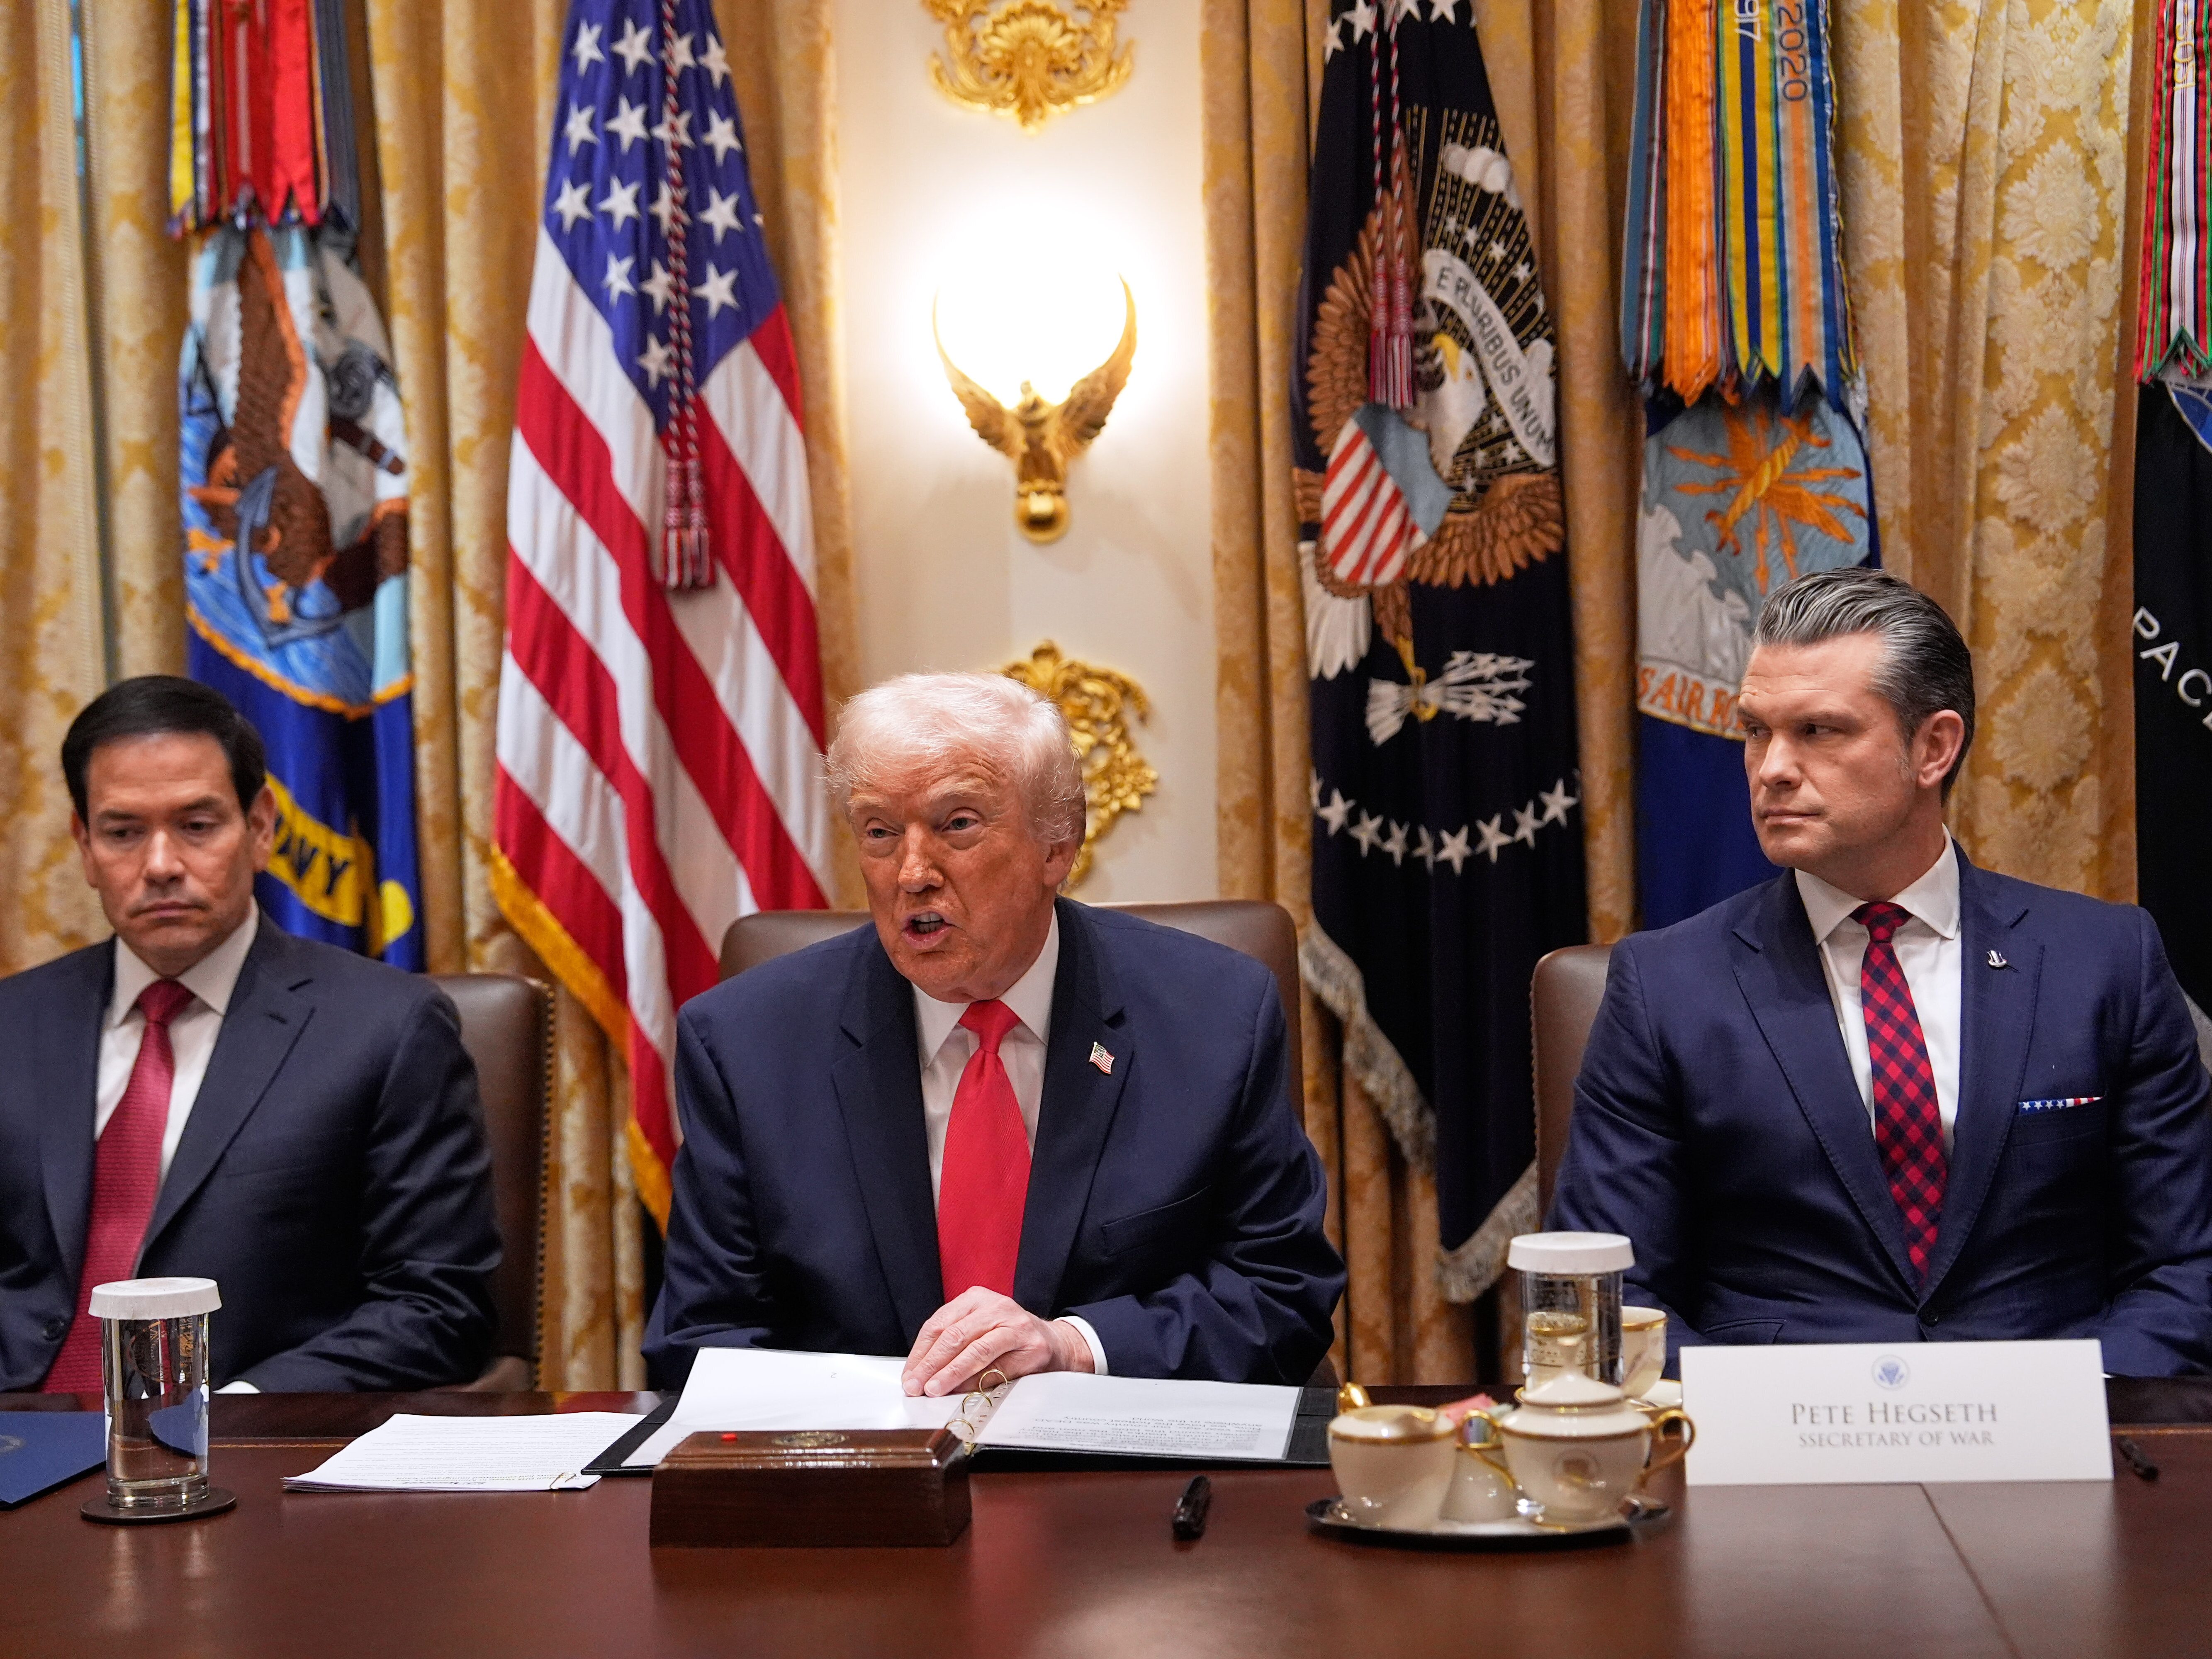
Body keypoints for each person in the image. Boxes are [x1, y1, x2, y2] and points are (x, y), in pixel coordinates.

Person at [1549, 568, 2212, 1374]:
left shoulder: (2106, 961)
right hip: (1773, 1460)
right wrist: (1770, 1419)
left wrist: (2051, 1405)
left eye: (1819, 731)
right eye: (1757, 730)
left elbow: (2186, 1268)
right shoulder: (1666, 985)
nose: (1771, 769)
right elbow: (1613, 1295)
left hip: (2053, 1450)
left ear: (1933, 746)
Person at [646, 673, 1344, 1393]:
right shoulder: (744, 1042)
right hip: (863, 1476)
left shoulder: (1213, 1014)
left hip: (1121, 1473)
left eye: (958, 825)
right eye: (880, 832)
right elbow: (702, 1338)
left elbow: (1281, 1292)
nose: (912, 874)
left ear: (1056, 846)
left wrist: (1074, 1348)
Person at [0, 676, 499, 1392]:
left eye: (198, 826)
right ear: (84, 845)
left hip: (240, 1451)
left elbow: (436, 1306)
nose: (162, 864)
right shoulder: (15, 1024)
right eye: (123, 832)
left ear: (261, 828)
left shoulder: (384, 1030)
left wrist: (233, 1413)